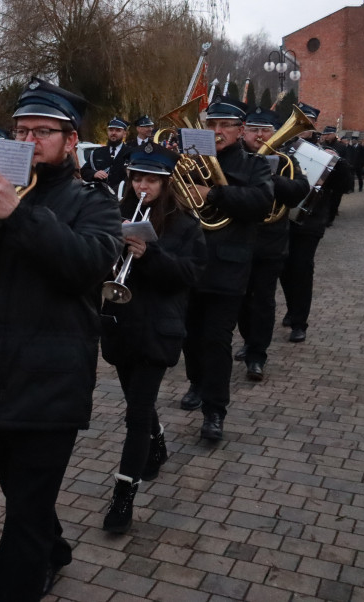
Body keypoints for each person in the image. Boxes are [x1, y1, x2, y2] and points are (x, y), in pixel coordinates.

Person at [0, 77, 123, 600]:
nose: (29, 140)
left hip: (49, 383)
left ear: (70, 140)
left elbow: (88, 265)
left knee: (24, 512)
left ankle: (30, 562)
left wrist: (18, 215)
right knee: (19, 487)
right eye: (21, 130)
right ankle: (52, 544)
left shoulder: (93, 202)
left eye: (43, 131)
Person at [100, 147, 205, 534]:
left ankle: (123, 496)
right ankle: (158, 443)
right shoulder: (116, 214)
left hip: (157, 329)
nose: (142, 186)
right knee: (136, 402)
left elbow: (190, 275)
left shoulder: (185, 225)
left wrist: (151, 254)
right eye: (137, 179)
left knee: (136, 414)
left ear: (166, 183)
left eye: (151, 180)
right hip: (120, 324)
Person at [179, 97, 273, 442]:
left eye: (224, 126)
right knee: (189, 334)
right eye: (210, 125)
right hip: (189, 262)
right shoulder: (189, 161)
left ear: (240, 130)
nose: (217, 132)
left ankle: (215, 411)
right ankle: (196, 384)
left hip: (228, 267)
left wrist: (214, 194)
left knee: (216, 341)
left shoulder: (255, 165)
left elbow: (262, 203)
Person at [234, 108, 309, 381]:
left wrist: (268, 179)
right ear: (244, 131)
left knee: (263, 301)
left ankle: (258, 355)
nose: (259, 135)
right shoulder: (234, 158)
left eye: (265, 130)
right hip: (238, 239)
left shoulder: (286, 160)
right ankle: (248, 340)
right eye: (253, 129)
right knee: (240, 298)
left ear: (274, 133)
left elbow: (301, 191)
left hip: (271, 242)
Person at [279, 105, 351, 343]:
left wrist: (337, 164)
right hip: (280, 219)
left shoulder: (324, 152)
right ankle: (292, 309)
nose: (300, 128)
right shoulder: (280, 149)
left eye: (306, 123)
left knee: (301, 268)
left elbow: (343, 186)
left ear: (313, 127)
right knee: (284, 270)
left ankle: (300, 322)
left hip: (309, 221)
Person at [81, 116, 140, 194]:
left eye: (118, 130)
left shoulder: (132, 153)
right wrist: (94, 174)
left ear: (125, 134)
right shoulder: (97, 152)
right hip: (100, 197)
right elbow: (84, 171)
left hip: (123, 197)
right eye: (111, 130)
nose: (113, 133)